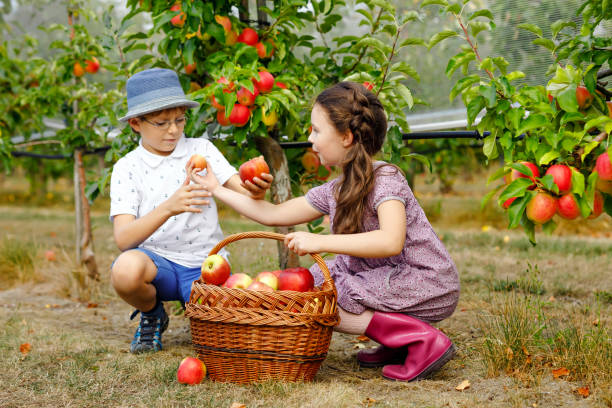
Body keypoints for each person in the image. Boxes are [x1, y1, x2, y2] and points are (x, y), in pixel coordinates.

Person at [189, 81, 460, 381]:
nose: (310, 139)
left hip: (425, 280)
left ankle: (420, 340)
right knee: (312, 281)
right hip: (387, 280)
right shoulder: (334, 190)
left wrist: (319, 240)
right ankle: (397, 341)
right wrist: (215, 188)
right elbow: (273, 214)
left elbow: (391, 240)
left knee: (324, 294)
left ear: (346, 137)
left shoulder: (386, 179)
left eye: (317, 130)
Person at [110, 68, 272, 353]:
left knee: (218, 342)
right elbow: (124, 239)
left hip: (205, 264)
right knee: (125, 270)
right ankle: (152, 313)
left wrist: (256, 189)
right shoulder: (127, 167)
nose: (173, 130)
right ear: (136, 123)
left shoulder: (202, 150)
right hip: (157, 266)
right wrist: (169, 207)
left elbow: (243, 192)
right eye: (161, 123)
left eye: (179, 120)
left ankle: (198, 308)